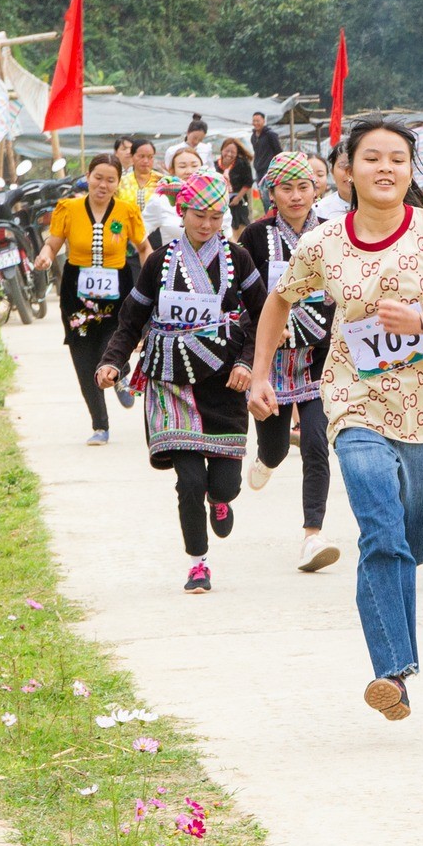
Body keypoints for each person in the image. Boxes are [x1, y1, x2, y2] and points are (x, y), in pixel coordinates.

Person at [248, 118, 423, 722]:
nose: (386, 168)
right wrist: (260, 372)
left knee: (420, 527)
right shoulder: (323, 243)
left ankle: (391, 645)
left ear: (411, 172)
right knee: (379, 529)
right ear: (346, 171)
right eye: (372, 158)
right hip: (355, 401)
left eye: (398, 159)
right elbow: (280, 300)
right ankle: (392, 673)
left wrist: (421, 324)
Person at [96, 173, 263, 595]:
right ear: (182, 213)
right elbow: (132, 319)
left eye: (214, 216)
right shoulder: (159, 262)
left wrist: (247, 363)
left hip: (224, 384)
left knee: (223, 483)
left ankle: (220, 499)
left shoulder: (237, 259)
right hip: (171, 383)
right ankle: (197, 564)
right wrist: (113, 361)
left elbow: (263, 316)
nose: (205, 225)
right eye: (197, 215)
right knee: (188, 480)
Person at [238, 151, 341, 574]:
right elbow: (243, 298)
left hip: (319, 357)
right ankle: (266, 459)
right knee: (278, 448)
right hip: (272, 364)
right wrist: (264, 328)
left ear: (316, 190)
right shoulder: (255, 238)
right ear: (271, 194)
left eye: (304, 187)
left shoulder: (333, 232)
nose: (296, 196)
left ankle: (312, 536)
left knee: (317, 444)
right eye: (286, 188)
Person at [32, 153, 145, 444]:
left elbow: (143, 247)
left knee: (111, 347)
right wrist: (45, 256)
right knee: (83, 358)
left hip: (116, 295)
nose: (103, 185)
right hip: (77, 295)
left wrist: (152, 280)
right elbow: (54, 242)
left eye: (110, 180)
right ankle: (100, 426)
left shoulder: (126, 211)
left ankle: (120, 372)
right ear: (88, 176)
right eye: (98, 177)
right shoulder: (68, 208)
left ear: (118, 183)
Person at [217, 137, 256, 230]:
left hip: (238, 197)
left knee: (239, 224)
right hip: (221, 199)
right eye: (227, 151)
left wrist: (238, 198)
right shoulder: (215, 165)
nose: (229, 154)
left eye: (233, 152)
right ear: (222, 150)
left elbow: (248, 183)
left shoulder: (242, 164)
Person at [311, 151, 351, 223]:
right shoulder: (318, 212)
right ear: (332, 172)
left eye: (320, 175)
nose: (350, 172)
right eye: (343, 166)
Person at [250, 110, 283, 179]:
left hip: (270, 169)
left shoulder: (270, 134)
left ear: (263, 121)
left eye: (258, 121)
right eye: (254, 121)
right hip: (258, 169)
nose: (255, 123)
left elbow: (278, 151)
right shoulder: (253, 136)